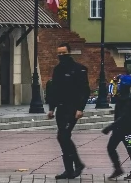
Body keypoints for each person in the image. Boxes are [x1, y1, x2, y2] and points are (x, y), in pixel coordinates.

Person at [46, 43, 89, 180]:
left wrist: (80, 108)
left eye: (63, 53)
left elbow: (85, 90)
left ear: (69, 52)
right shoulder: (58, 69)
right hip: (61, 108)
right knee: (63, 138)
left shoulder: (79, 69)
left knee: (63, 136)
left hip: (72, 108)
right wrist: (51, 108)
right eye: (59, 53)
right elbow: (54, 90)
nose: (61, 55)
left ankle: (78, 164)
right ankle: (69, 170)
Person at [101, 75, 131, 180]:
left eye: (119, 83)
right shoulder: (121, 96)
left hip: (127, 131)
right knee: (111, 147)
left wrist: (110, 127)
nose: (118, 84)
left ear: (124, 85)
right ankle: (118, 168)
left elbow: (123, 117)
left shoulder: (128, 99)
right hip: (118, 130)